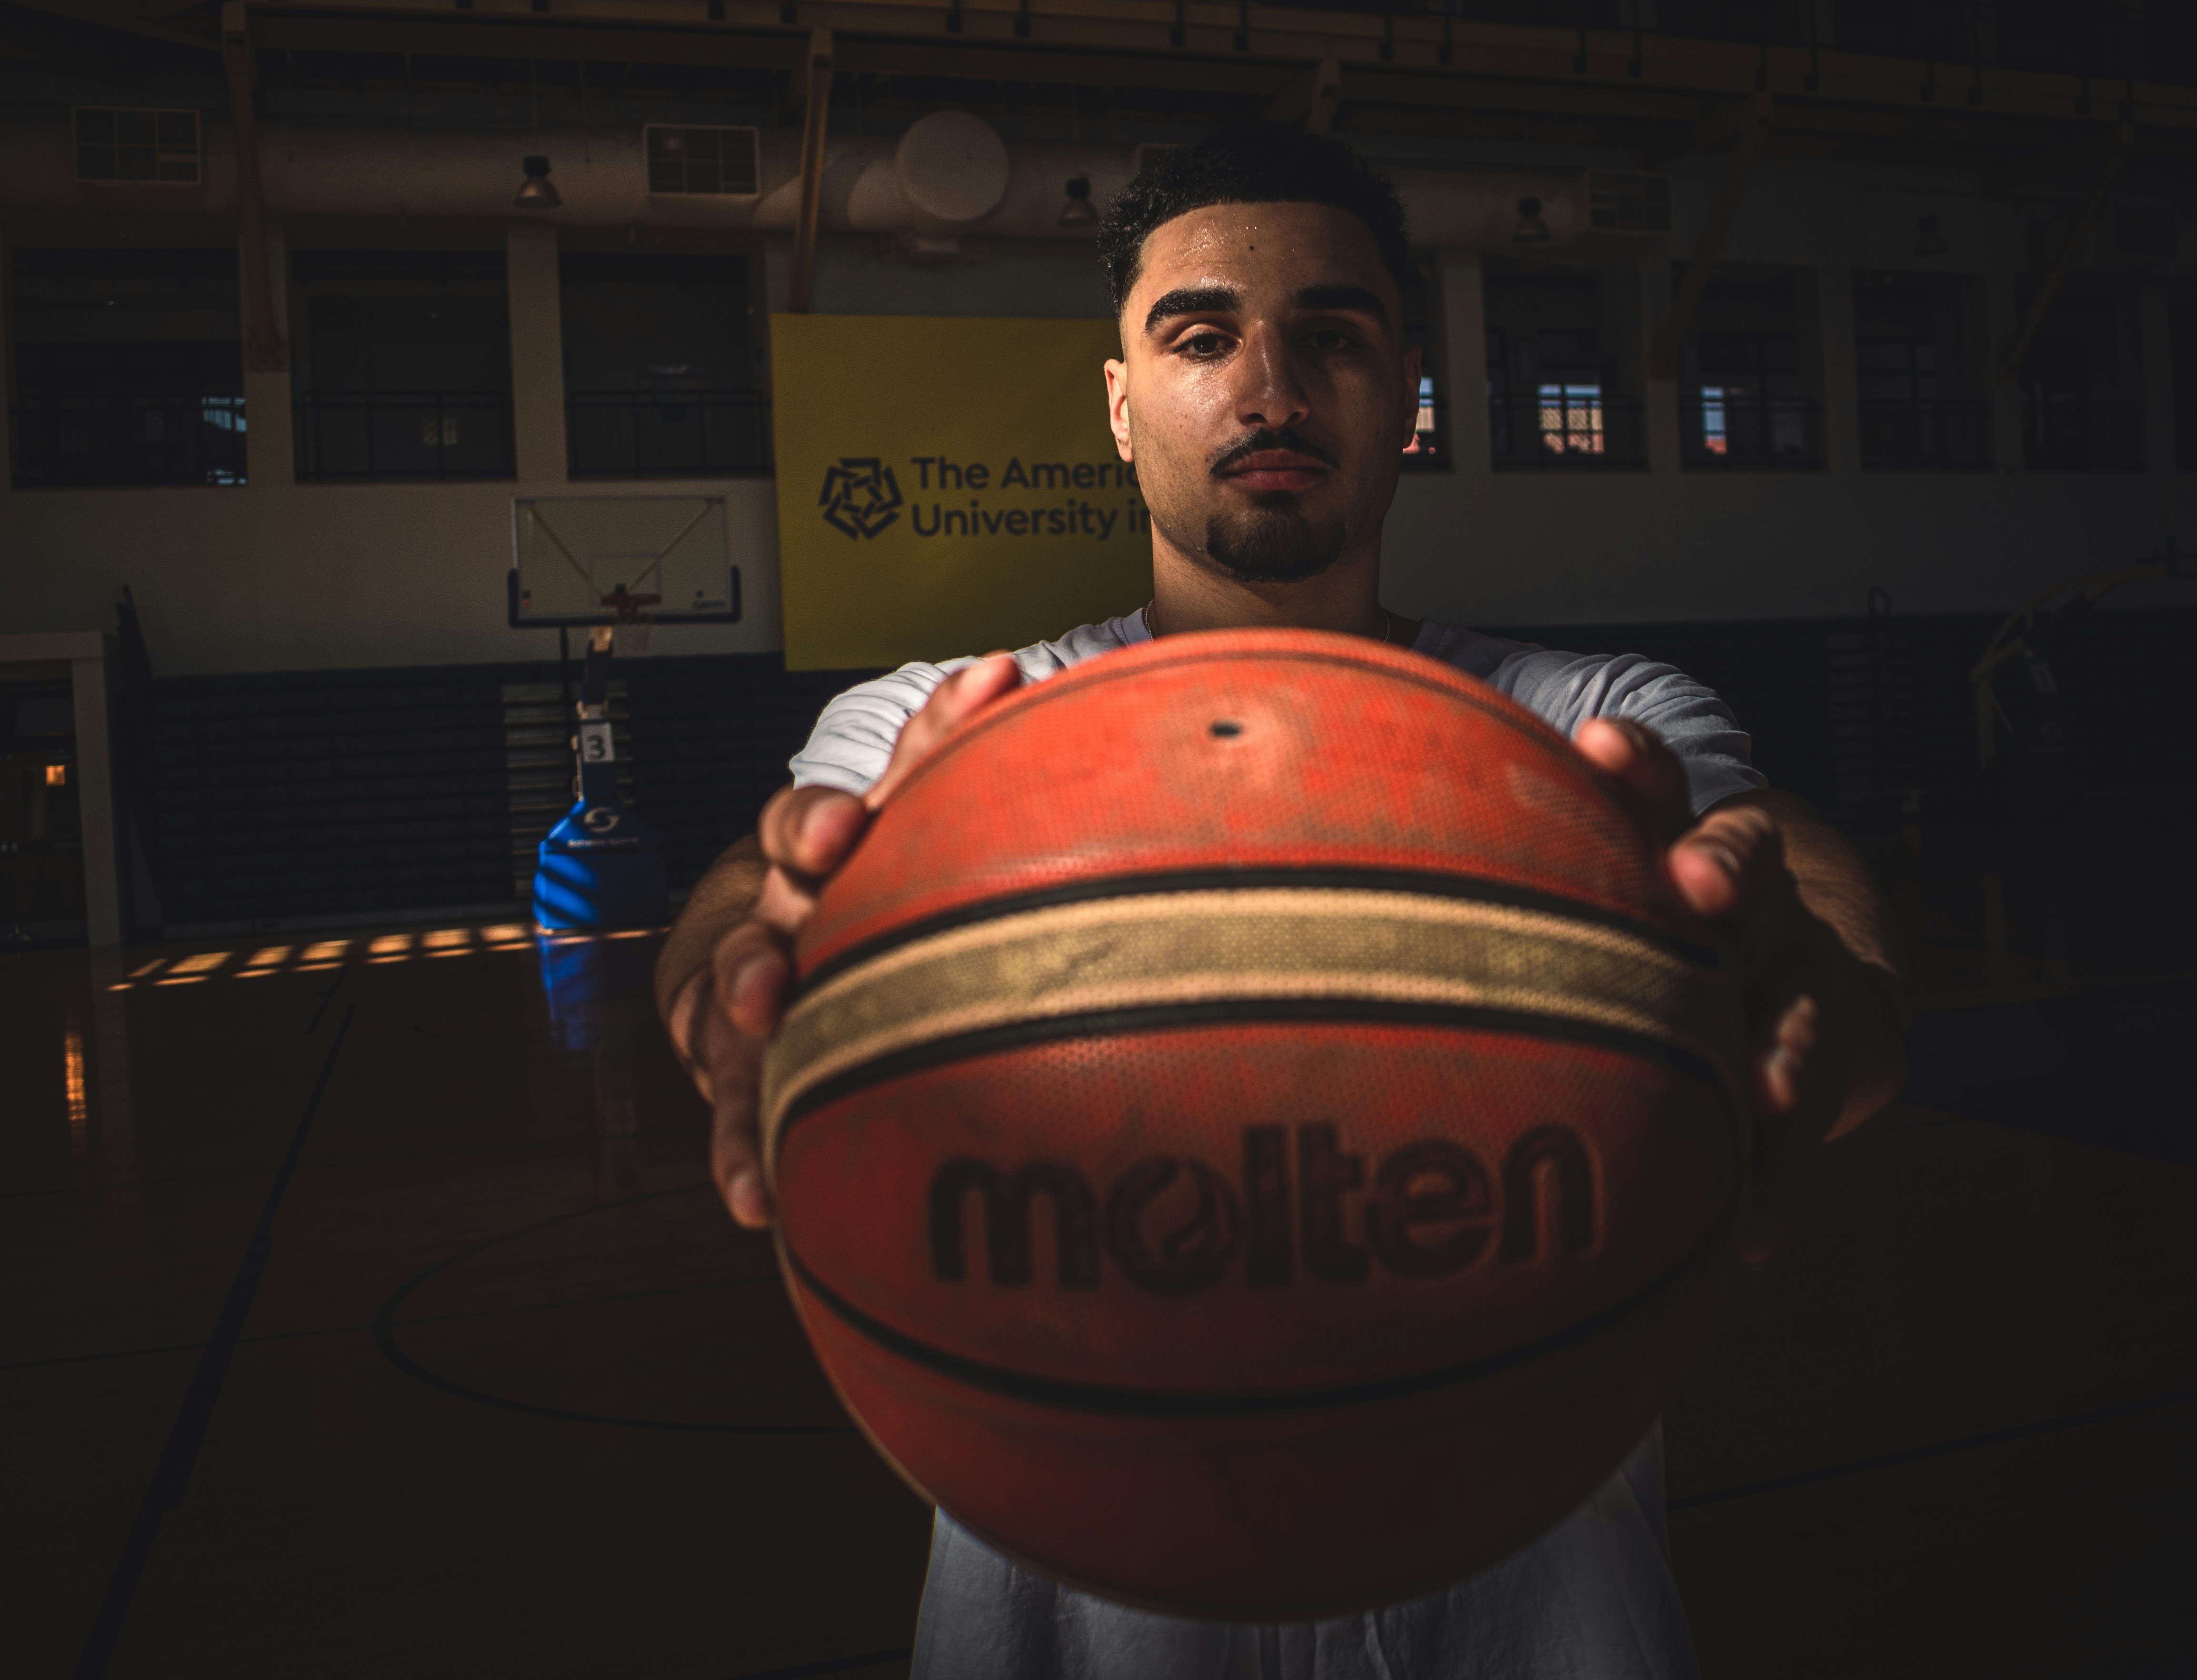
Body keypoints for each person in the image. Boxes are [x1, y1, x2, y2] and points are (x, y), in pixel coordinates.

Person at [656, 126, 1907, 1680]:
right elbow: (752, 882)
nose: (1271, 388)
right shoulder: (956, 730)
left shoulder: (1586, 724)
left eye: (1334, 336)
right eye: (1201, 338)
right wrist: (737, 970)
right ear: (1119, 406)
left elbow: (1783, 861)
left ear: (1408, 397)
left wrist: (1813, 980)